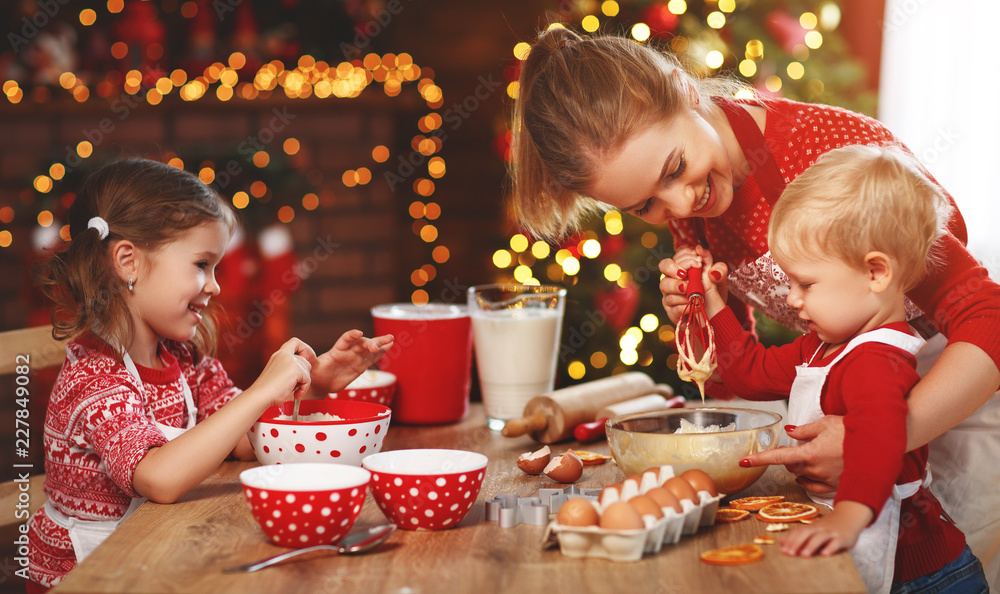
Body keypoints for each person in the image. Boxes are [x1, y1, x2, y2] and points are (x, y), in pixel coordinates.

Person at [510, 27, 1000, 585]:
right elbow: (736, 377)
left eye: (673, 168)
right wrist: (701, 317)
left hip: (954, 388)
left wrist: (877, 440)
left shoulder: (829, 154)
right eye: (646, 203)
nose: (680, 203)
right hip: (854, 404)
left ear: (685, 89)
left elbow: (988, 320)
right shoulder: (692, 206)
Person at [26, 158, 393, 590]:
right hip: (91, 578)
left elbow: (239, 438)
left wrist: (314, 386)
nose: (215, 285)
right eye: (202, 264)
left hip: (160, 553)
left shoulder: (184, 358)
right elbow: (158, 478)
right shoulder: (94, 375)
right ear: (128, 261)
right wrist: (259, 392)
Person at [673, 145, 987, 593]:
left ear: (875, 273)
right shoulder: (823, 348)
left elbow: (878, 436)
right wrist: (714, 302)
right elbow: (749, 371)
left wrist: (849, 518)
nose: (792, 299)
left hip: (928, 579)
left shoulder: (876, 359)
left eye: (806, 283)